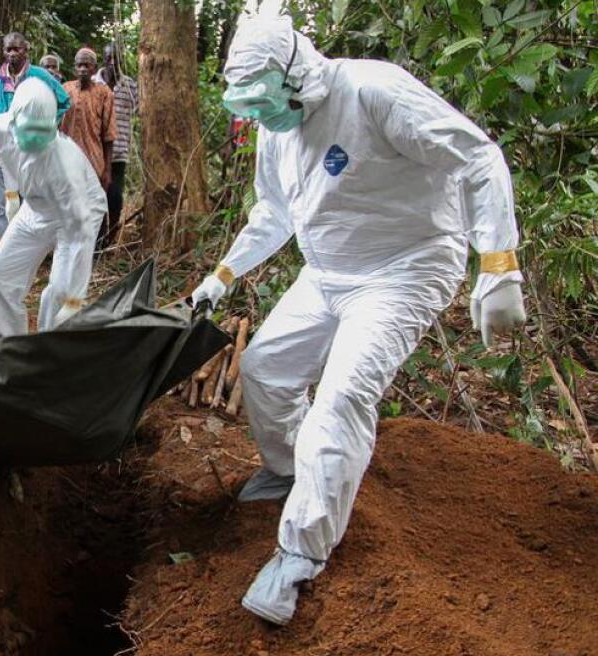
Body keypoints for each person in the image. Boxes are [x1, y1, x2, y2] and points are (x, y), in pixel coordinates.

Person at [189, 1, 527, 625]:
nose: (261, 113)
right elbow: (274, 213)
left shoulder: (372, 90)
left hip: (406, 266)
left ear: (295, 71)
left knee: (340, 397)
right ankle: (290, 467)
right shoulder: (275, 128)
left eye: (265, 97)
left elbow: (477, 158)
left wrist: (498, 262)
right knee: (263, 368)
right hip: (327, 271)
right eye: (250, 103)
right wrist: (223, 274)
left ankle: (299, 554)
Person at [0, 78, 107, 337]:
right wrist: (11, 195)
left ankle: (49, 360)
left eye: (43, 132)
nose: (35, 140)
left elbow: (80, 235)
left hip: (75, 214)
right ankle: (9, 350)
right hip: (35, 207)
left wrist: (75, 298)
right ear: (14, 120)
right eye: (29, 130)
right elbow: (5, 158)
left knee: (58, 297)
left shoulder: (64, 166)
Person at [0, 32, 70, 238]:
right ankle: (7, 253)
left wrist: (44, 126)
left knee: (31, 203)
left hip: (31, 152)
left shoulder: (39, 75)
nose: (13, 53)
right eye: (9, 49)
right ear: (3, 52)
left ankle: (31, 252)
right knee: (4, 203)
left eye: (17, 49)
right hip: (3, 153)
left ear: (26, 50)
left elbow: (64, 101)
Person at [94, 43, 139, 248]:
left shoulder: (130, 86)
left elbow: (140, 111)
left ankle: (111, 235)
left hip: (119, 152)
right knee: (96, 197)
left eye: (116, 58)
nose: (112, 62)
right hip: (95, 153)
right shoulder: (93, 83)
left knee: (115, 196)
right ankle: (99, 239)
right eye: (108, 58)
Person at [60, 47, 116, 191]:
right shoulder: (65, 90)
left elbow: (109, 134)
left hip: (94, 162)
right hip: (67, 162)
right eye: (79, 65)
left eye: (87, 65)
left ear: (94, 68)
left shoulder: (104, 93)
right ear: (74, 68)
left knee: (95, 206)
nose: (83, 69)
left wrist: (108, 170)